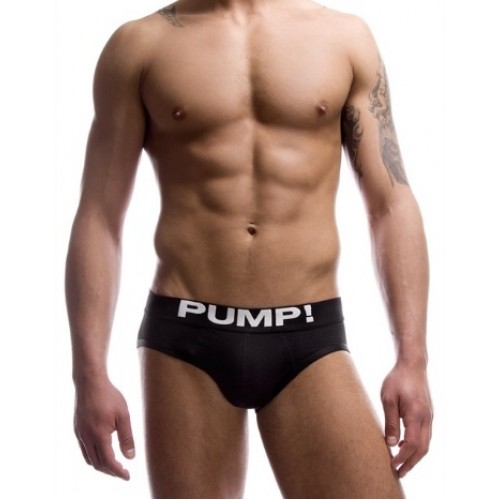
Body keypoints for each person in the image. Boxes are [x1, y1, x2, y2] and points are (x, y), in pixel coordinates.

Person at [65, 0, 433, 497]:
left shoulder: (343, 39)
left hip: (308, 334)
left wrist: (412, 359)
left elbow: (390, 203)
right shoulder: (141, 45)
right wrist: (89, 375)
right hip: (186, 338)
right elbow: (99, 216)